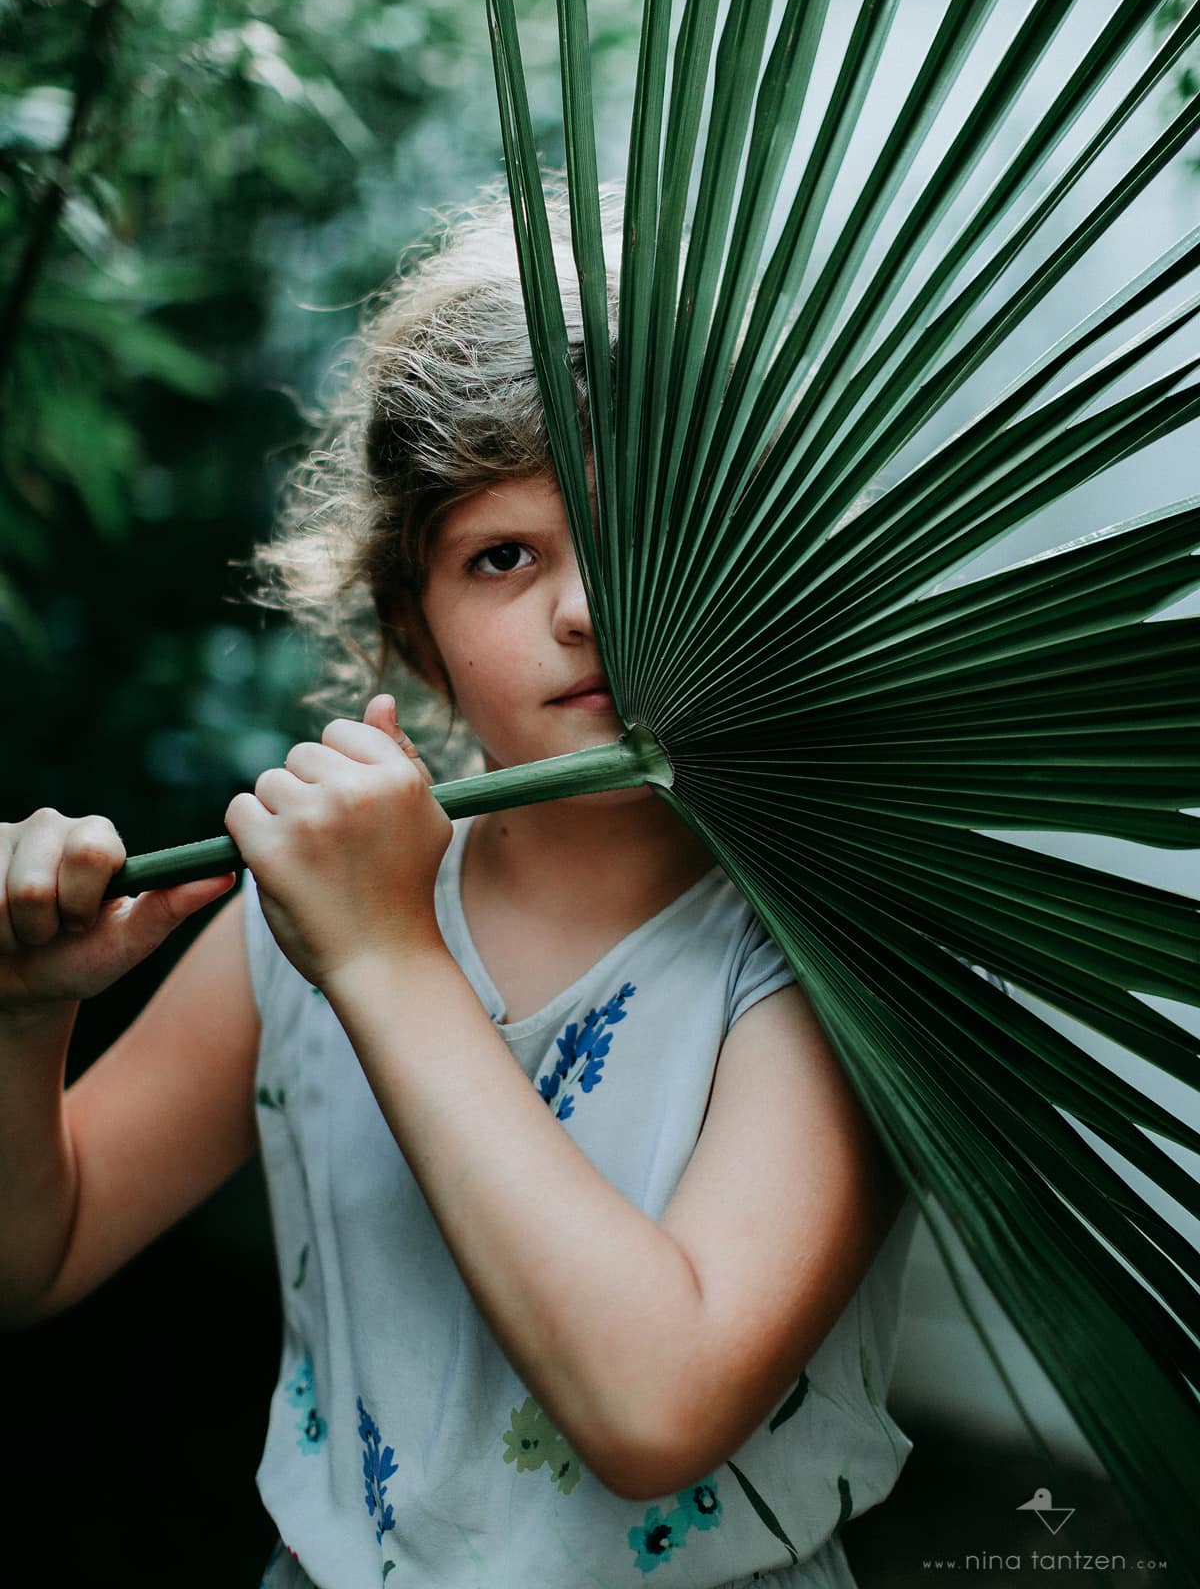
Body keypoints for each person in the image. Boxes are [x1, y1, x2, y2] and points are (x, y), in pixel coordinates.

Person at [0, 186, 916, 1589]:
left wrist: (385, 961)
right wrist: (19, 1020)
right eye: (504, 555)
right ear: (415, 638)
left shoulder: (827, 954)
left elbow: (657, 1408)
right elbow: (35, 1258)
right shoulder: (297, 919)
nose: (587, 609)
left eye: (644, 528)